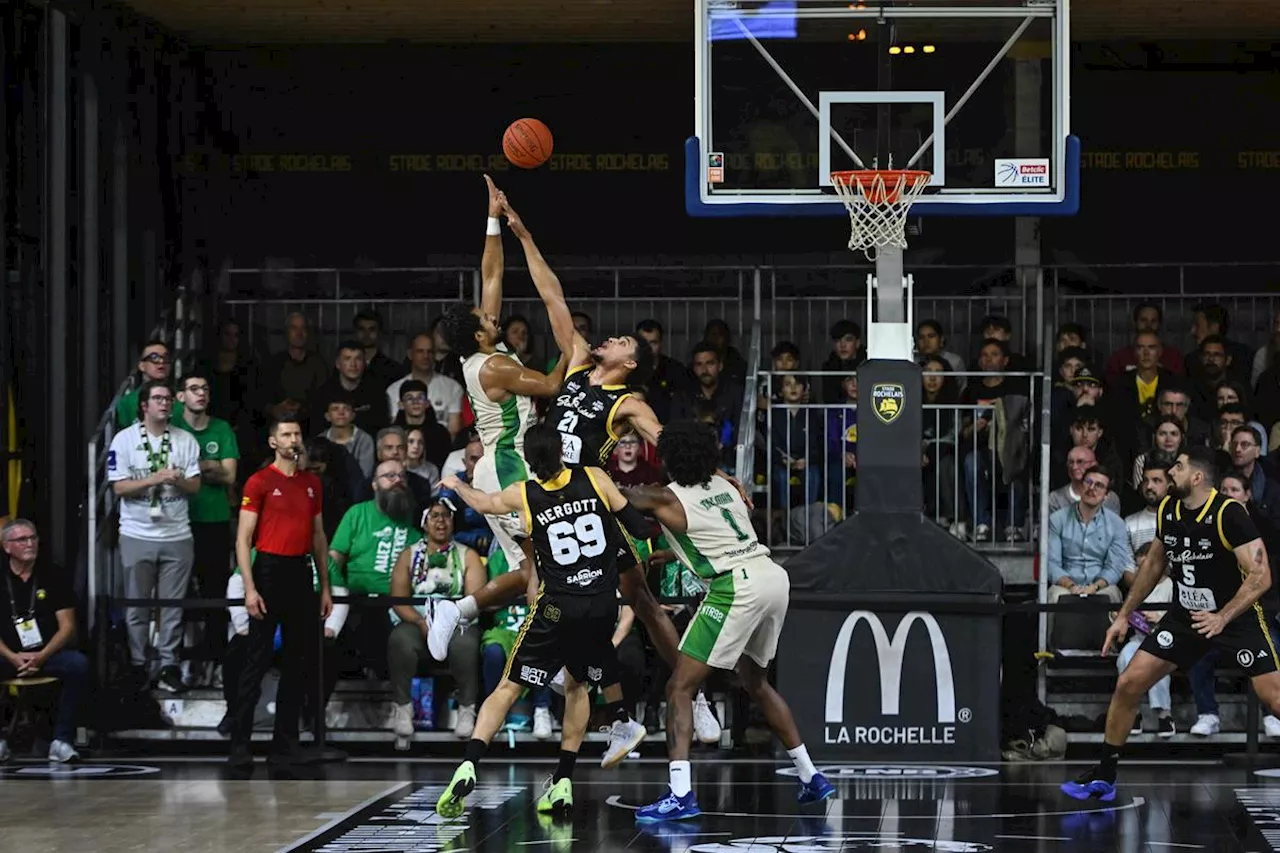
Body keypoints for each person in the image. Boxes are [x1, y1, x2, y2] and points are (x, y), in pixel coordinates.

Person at [434, 422, 650, 818]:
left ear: (531, 462)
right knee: (577, 685)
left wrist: (456, 484)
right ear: (563, 452)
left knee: (509, 686)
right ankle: (564, 779)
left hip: (557, 606)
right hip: (603, 602)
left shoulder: (524, 494)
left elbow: (480, 505)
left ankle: (469, 764)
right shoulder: (596, 477)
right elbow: (638, 526)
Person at [621, 420, 834, 822]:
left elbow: (619, 495)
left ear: (667, 459)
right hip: (772, 576)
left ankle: (681, 794)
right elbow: (714, 534)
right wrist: (667, 553)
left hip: (736, 587)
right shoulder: (729, 488)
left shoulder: (665, 497)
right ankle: (811, 775)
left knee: (679, 687)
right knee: (756, 682)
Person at [1061, 446, 1274, 802]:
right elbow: (1154, 564)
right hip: (1186, 617)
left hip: (1234, 618)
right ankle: (1105, 774)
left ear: (1197, 477)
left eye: (1177, 466)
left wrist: (1222, 617)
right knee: (1129, 682)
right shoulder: (1169, 509)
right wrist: (1126, 613)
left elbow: (1261, 575)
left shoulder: (1228, 513)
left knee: (1274, 696)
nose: (1169, 472)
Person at [437, 176, 568, 587]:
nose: (491, 314)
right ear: (479, 334)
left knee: (535, 566)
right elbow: (549, 386)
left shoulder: (481, 348)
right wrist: (571, 349)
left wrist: (493, 220)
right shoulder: (494, 367)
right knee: (536, 566)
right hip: (507, 462)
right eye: (485, 319)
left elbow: (491, 275)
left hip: (508, 460)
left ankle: (467, 609)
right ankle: (488, 620)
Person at [228, 415, 333, 772]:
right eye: (286, 434)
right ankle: (240, 744)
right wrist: (250, 588)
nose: (294, 439)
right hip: (269, 569)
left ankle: (284, 745)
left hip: (300, 572)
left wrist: (325, 586)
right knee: (255, 661)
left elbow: (319, 536)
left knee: (297, 663)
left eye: (297, 434)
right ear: (273, 442)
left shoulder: (311, 483)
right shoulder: (259, 481)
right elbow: (243, 539)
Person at [107, 379, 202, 692]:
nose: (164, 403)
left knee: (172, 605)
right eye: (157, 398)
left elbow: (195, 485)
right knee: (137, 604)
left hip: (177, 533)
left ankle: (168, 664)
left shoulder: (185, 440)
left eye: (167, 399)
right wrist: (154, 479)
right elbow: (119, 487)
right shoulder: (123, 440)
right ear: (144, 406)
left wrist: (177, 482)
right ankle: (137, 664)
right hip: (137, 533)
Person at [387, 498, 485, 745]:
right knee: (400, 639)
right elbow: (398, 600)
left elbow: (475, 599)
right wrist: (422, 623)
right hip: (418, 621)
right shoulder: (408, 555)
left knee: (466, 643)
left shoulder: (468, 555)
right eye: (434, 516)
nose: (441, 521)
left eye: (446, 516)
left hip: (457, 623)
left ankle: (466, 709)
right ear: (424, 523)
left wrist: (446, 622)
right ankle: (403, 708)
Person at [0, 519, 88, 763]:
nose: (30, 544)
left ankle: (61, 740)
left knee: (78, 665)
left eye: (33, 538)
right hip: (9, 654)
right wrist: (13, 656)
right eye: (22, 540)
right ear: (7, 547)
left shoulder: (53, 574)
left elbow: (67, 627)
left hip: (47, 654)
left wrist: (42, 656)